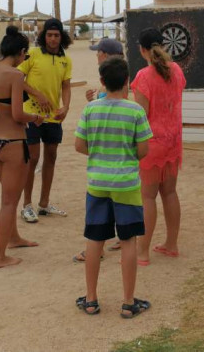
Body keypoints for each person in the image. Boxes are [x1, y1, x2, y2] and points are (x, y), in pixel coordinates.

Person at [74, 57, 152, 318]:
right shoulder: (135, 112)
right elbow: (143, 149)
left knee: (95, 239)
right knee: (128, 240)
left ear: (102, 82)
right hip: (126, 184)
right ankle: (128, 302)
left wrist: (100, 155)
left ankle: (91, 299)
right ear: (127, 81)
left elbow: (79, 145)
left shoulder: (90, 110)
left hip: (97, 183)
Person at [0, 26, 45, 268]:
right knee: (8, 201)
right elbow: (17, 114)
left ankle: (13, 238)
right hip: (14, 142)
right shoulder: (15, 75)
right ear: (21, 52)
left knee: (10, 197)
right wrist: (35, 118)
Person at [131, 28, 186, 265]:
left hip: (152, 144)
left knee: (147, 197)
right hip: (173, 140)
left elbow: (141, 115)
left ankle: (142, 252)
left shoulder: (143, 76)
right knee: (170, 192)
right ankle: (171, 244)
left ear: (142, 49)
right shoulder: (176, 70)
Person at [73, 37, 126, 263]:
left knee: (103, 205)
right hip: (120, 157)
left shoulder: (118, 77)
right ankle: (121, 238)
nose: (96, 56)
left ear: (105, 54)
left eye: (98, 52)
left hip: (108, 159)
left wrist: (96, 100)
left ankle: (99, 248)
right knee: (118, 201)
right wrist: (95, 98)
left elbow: (117, 104)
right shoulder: (120, 74)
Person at [18, 18, 72, 222]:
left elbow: (66, 86)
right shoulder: (32, 54)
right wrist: (37, 94)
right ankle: (26, 205)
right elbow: (17, 78)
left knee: (51, 157)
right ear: (44, 36)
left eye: (56, 35)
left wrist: (66, 107)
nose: (53, 39)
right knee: (32, 159)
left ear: (61, 37)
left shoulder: (66, 60)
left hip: (53, 117)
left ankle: (44, 203)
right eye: (49, 35)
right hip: (31, 115)